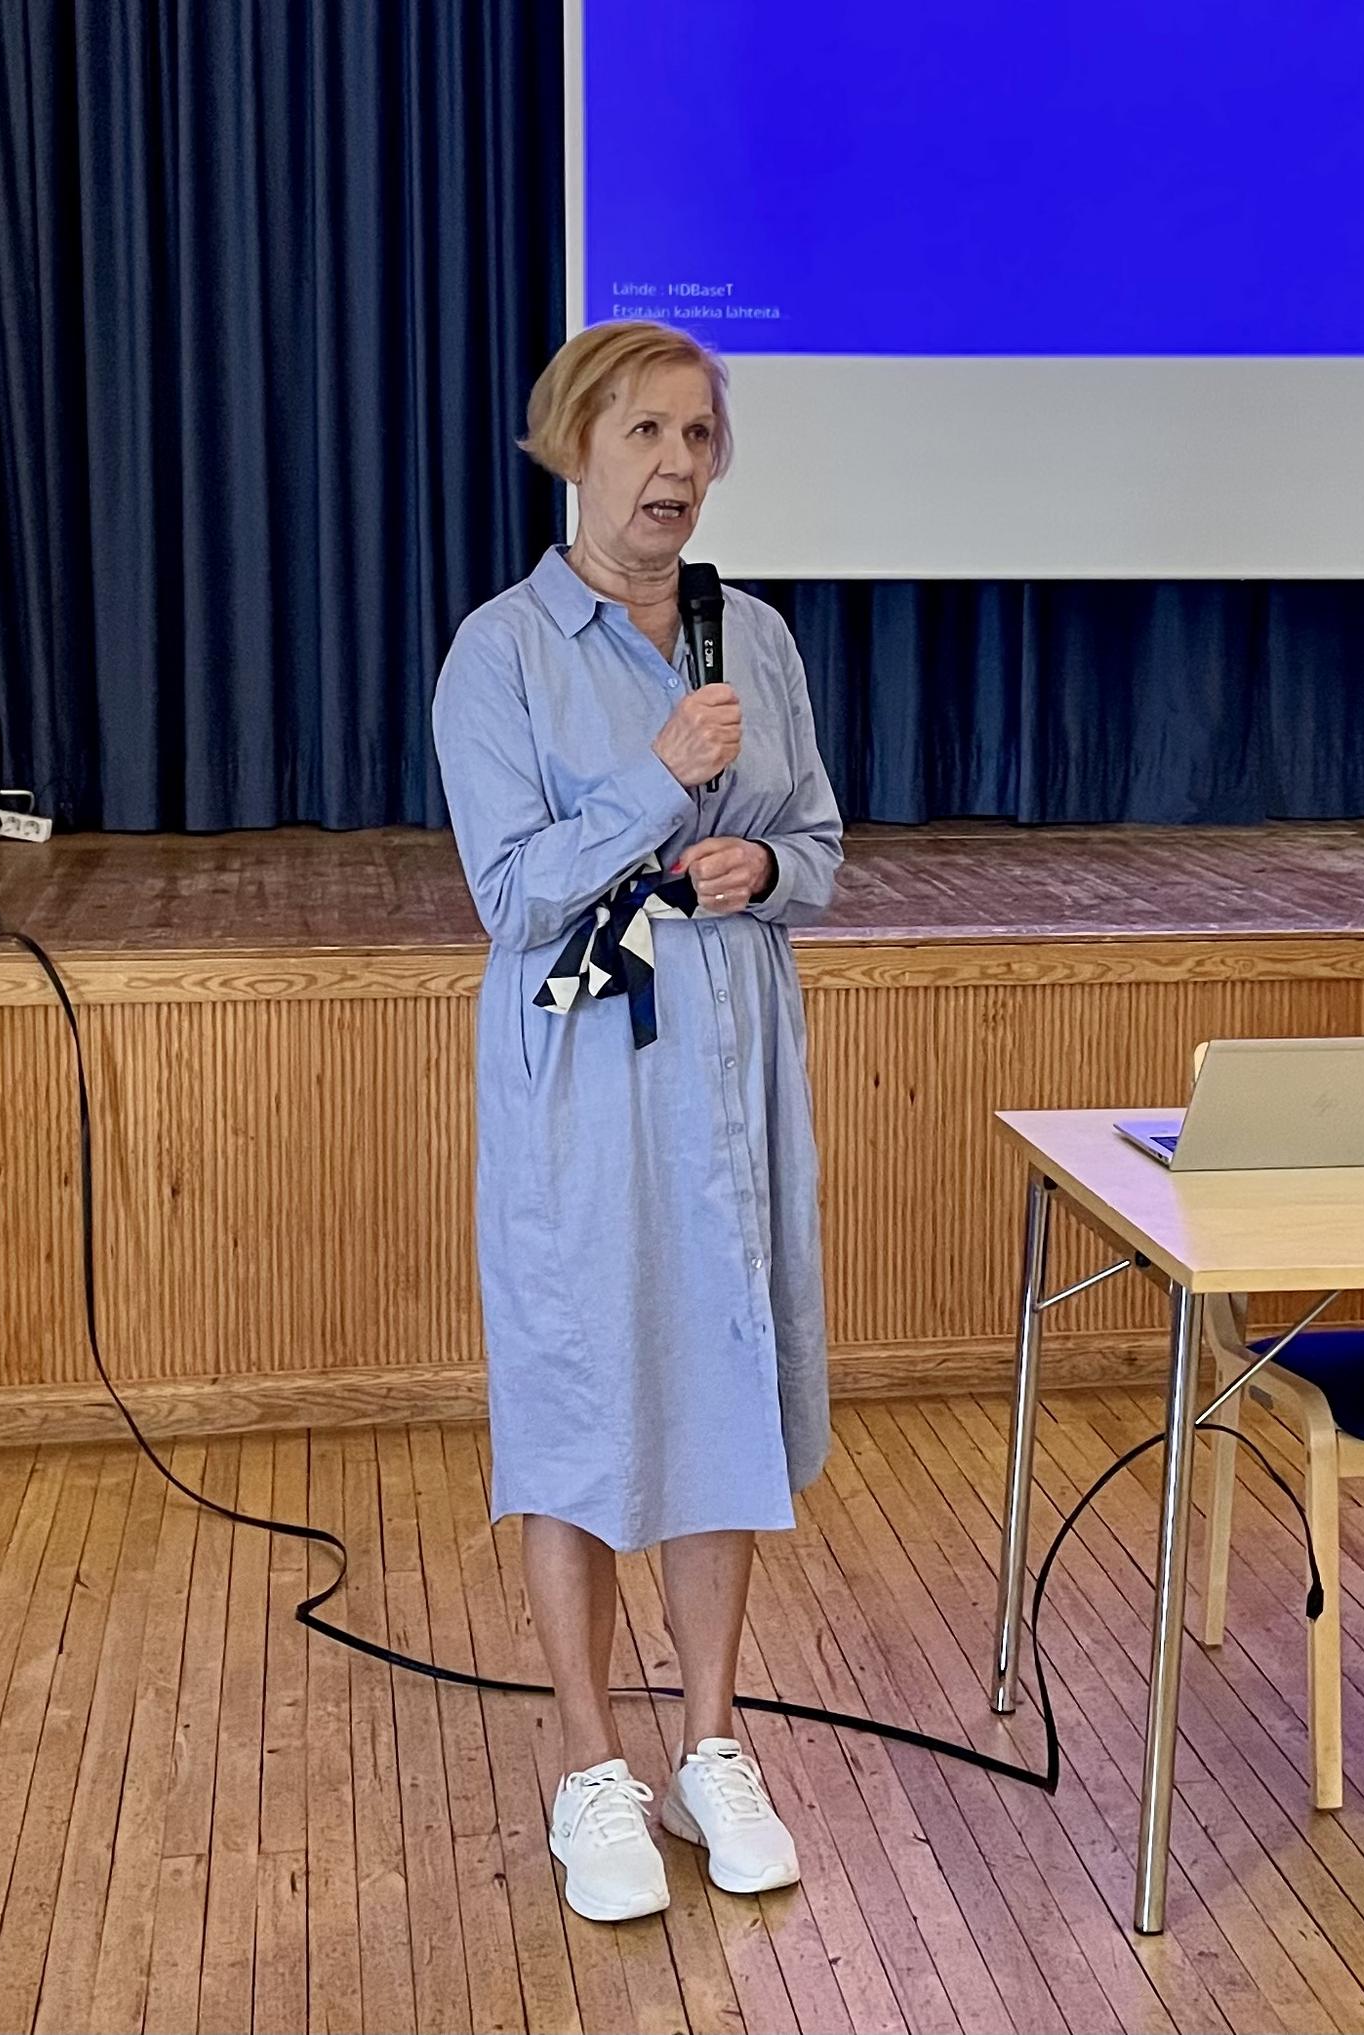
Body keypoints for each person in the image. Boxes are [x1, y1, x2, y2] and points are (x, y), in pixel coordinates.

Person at [431, 320, 844, 1922]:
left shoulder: (757, 640)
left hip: (729, 1075)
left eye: (698, 436)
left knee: (718, 1392)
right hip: (586, 1087)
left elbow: (819, 842)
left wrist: (765, 866)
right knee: (584, 1400)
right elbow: (512, 894)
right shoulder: (503, 653)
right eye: (645, 435)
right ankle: (590, 1764)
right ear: (574, 450)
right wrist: (660, 784)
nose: (678, 467)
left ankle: (712, 1745)